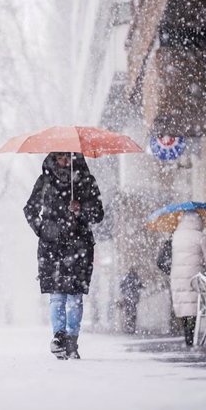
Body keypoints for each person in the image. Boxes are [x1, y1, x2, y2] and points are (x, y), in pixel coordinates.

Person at [24, 152, 104, 360]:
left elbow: (98, 213)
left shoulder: (86, 181)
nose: (64, 162)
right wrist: (43, 229)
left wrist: (80, 211)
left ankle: (72, 340)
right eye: (60, 158)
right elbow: (30, 209)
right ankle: (59, 337)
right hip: (53, 245)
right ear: (53, 159)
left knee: (75, 296)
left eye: (68, 158)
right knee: (57, 295)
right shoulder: (45, 181)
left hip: (80, 245)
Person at [170, 211, 206, 346]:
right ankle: (191, 334)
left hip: (177, 276)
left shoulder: (176, 236)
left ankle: (187, 333)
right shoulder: (200, 236)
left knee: (183, 306)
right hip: (194, 277)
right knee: (193, 307)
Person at [119, 269, 143, 334]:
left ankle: (128, 324)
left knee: (128, 311)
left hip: (128, 297)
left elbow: (121, 286)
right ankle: (131, 325)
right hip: (134, 297)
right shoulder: (136, 278)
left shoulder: (126, 277)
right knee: (133, 311)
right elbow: (140, 285)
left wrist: (124, 293)